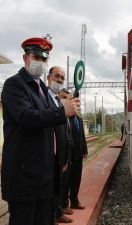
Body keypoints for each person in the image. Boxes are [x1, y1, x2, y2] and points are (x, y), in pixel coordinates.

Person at [1, 37, 80, 225]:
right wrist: (62, 112)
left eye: (44, 60)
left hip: (44, 176)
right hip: (24, 176)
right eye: (36, 57)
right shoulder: (14, 85)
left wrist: (60, 160)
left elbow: (52, 128)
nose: (41, 63)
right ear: (25, 58)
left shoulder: (43, 89)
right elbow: (26, 117)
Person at [47, 67, 73, 223]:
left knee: (57, 188)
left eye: (62, 78)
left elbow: (64, 137)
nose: (59, 80)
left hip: (59, 157)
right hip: (46, 157)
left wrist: (63, 159)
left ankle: (56, 213)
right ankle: (53, 214)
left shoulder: (57, 101)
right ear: (49, 77)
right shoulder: (45, 99)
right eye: (56, 76)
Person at [66, 114, 88, 210]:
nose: (76, 108)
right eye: (75, 105)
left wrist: (85, 150)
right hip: (70, 156)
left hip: (79, 155)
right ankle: (64, 204)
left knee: (77, 179)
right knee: (67, 181)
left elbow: (82, 135)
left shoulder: (79, 119)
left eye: (78, 106)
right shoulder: (66, 118)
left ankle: (74, 201)